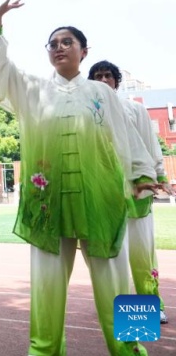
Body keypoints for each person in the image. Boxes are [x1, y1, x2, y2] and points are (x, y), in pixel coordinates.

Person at [0, 0, 157, 356]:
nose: (59, 48)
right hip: (49, 203)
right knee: (46, 283)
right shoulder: (33, 91)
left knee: (120, 278)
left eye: (67, 42)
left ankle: (133, 347)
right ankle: (44, 349)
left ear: (84, 51)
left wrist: (144, 173)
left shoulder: (101, 94)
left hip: (102, 198)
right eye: (53, 44)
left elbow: (126, 138)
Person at [88, 60, 171, 324]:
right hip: (105, 191)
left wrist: (160, 176)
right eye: (97, 76)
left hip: (139, 190)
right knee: (113, 256)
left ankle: (150, 306)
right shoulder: (87, 112)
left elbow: (150, 144)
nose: (103, 80)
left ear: (116, 81)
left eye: (108, 76)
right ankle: (121, 311)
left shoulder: (135, 109)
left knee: (141, 252)